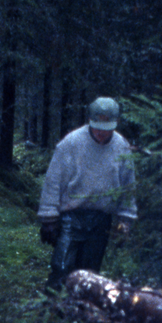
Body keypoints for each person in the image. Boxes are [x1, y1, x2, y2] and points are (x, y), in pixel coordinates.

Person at [38, 96, 137, 289]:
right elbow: (53, 181)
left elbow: (128, 184)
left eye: (106, 129)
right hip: (71, 216)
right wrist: (49, 217)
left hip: (101, 219)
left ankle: (82, 313)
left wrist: (125, 218)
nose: (101, 133)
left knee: (91, 273)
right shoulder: (71, 143)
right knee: (62, 267)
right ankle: (53, 313)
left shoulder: (121, 146)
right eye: (97, 127)